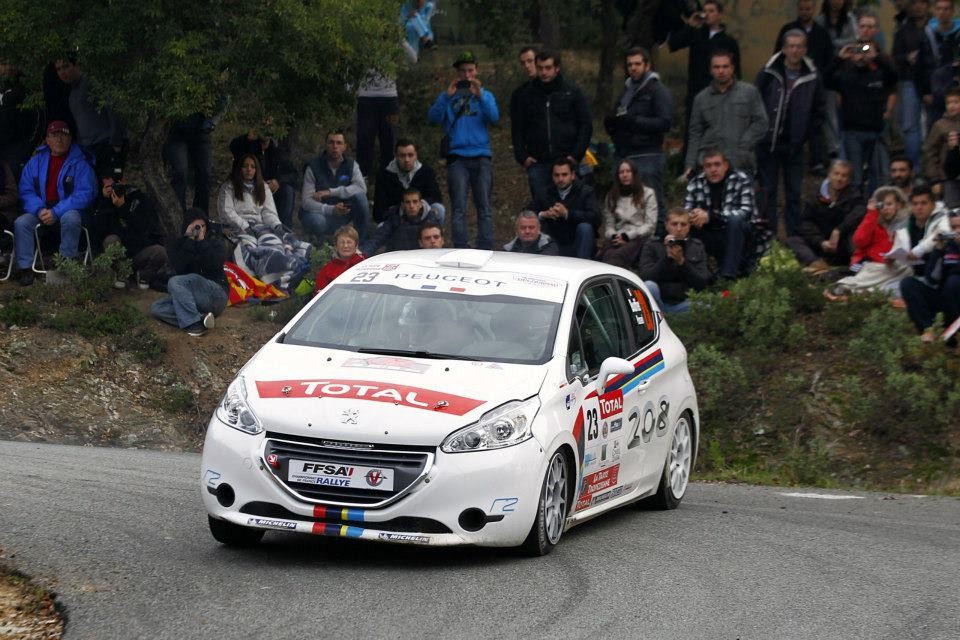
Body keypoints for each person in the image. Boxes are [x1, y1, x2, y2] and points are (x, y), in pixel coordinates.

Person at [756, 29, 826, 237]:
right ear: (784, 49)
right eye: (791, 46)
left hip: (795, 145)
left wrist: (805, 137)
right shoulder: (768, 73)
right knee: (767, 192)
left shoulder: (812, 76)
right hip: (768, 143)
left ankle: (794, 239)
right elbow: (755, 103)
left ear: (805, 49)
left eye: (799, 46)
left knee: (794, 194)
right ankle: (768, 237)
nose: (795, 50)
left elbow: (818, 111)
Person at [427, 51, 499, 249]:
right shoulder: (448, 97)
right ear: (457, 73)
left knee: (483, 205)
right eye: (462, 71)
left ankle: (485, 245)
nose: (467, 75)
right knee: (459, 206)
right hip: (458, 157)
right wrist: (445, 96)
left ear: (476, 71)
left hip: (481, 156)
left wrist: (481, 95)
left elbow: (494, 117)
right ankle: (461, 246)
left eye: (470, 70)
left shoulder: (486, 95)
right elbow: (432, 118)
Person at [13, 120, 97, 286]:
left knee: (71, 218)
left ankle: (66, 267)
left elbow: (85, 194)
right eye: (55, 135)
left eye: (64, 135)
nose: (60, 140)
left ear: (71, 138)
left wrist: (56, 211)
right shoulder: (35, 161)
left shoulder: (81, 163)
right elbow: (26, 190)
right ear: (47, 139)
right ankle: (25, 269)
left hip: (68, 210)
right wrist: (39, 210)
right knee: (21, 222)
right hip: (42, 210)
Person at [604, 46, 672, 235]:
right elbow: (618, 115)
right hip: (624, 153)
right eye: (629, 64)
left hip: (648, 153)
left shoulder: (658, 91)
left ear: (647, 65)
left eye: (637, 64)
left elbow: (665, 122)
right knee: (623, 204)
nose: (633, 68)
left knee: (653, 205)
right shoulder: (626, 90)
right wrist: (612, 125)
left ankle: (658, 245)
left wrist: (634, 121)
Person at [667, 0, 742, 164]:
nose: (707, 14)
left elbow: (737, 72)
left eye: (712, 11)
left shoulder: (728, 41)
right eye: (705, 10)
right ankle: (689, 167)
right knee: (694, 130)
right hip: (696, 90)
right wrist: (690, 26)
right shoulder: (696, 34)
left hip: (722, 93)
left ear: (720, 14)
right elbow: (673, 44)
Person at [511, 50, 592, 201]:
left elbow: (585, 125)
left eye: (548, 68)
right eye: (540, 68)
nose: (543, 72)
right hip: (538, 161)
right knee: (542, 207)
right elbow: (517, 129)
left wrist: (576, 155)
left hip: (567, 160)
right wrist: (522, 156)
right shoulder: (524, 95)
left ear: (557, 68)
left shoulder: (572, 92)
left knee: (572, 205)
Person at [825, 24, 898, 192]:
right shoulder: (846, 74)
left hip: (876, 132)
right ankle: (856, 208)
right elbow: (826, 80)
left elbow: (894, 77)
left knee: (880, 176)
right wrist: (839, 58)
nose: (861, 54)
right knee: (855, 178)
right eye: (858, 50)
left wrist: (877, 58)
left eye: (865, 50)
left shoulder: (879, 73)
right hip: (852, 132)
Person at [684, 50, 768, 176]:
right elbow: (695, 133)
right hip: (710, 165)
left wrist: (745, 143)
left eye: (725, 66)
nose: (721, 71)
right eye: (716, 67)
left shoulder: (749, 92)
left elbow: (761, 122)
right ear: (710, 70)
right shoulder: (701, 98)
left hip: (741, 163)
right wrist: (690, 164)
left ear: (732, 68)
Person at [825, 186, 914, 299]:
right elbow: (859, 241)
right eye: (882, 205)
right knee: (880, 270)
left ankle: (866, 291)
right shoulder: (872, 221)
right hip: (867, 264)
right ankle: (847, 285)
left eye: (889, 204)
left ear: (898, 205)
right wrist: (871, 214)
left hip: (891, 268)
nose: (885, 208)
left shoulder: (903, 226)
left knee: (907, 270)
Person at [150, 210, 228, 337]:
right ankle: (200, 319)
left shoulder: (214, 241)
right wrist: (190, 240)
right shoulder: (180, 244)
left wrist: (202, 242)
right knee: (157, 307)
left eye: (203, 226)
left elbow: (214, 263)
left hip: (216, 294)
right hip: (193, 299)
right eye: (196, 227)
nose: (200, 230)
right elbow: (179, 266)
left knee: (175, 281)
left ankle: (194, 325)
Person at [683, 148, 757, 280]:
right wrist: (694, 215)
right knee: (684, 225)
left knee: (735, 221)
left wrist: (710, 216)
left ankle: (728, 276)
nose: (713, 169)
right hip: (709, 233)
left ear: (726, 165)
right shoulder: (695, 183)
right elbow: (686, 212)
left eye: (717, 164)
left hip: (738, 233)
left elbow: (746, 212)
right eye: (708, 166)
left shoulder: (741, 180)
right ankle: (697, 276)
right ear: (703, 168)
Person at [89, 167, 168, 289]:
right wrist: (104, 200)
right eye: (110, 186)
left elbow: (143, 228)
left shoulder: (138, 198)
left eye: (116, 185)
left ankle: (142, 276)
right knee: (111, 240)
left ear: (123, 182)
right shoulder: (102, 201)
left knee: (160, 252)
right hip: (116, 253)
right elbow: (97, 231)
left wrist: (123, 207)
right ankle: (121, 274)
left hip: (138, 250)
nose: (114, 189)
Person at [786, 159, 866, 271]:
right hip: (821, 244)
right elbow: (807, 223)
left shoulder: (855, 195)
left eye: (844, 176)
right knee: (793, 241)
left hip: (843, 244)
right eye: (836, 174)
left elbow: (859, 213)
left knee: (855, 236)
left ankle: (857, 266)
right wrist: (820, 242)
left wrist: (839, 230)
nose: (839, 179)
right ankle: (816, 263)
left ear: (848, 180)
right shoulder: (815, 196)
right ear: (829, 175)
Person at [54, 57, 125, 171]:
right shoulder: (71, 95)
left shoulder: (92, 83)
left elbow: (113, 108)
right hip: (88, 150)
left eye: (66, 66)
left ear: (76, 65)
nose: (62, 72)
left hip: (106, 145)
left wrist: (116, 142)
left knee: (112, 186)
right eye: (58, 69)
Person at [299, 130, 370, 242]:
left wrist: (331, 192)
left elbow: (361, 188)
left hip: (343, 213)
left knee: (361, 198)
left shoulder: (351, 165)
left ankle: (362, 242)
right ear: (326, 145)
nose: (335, 146)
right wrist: (331, 210)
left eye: (339, 143)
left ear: (345, 146)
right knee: (316, 221)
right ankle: (318, 243)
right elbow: (306, 202)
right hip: (319, 214)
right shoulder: (313, 166)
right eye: (331, 142)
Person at [900, 211, 960, 342]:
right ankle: (929, 330)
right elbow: (932, 279)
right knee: (908, 284)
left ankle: (955, 335)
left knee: (953, 282)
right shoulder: (948, 246)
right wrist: (938, 249)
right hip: (944, 299)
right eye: (953, 227)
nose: (957, 231)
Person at [639, 208, 711, 313]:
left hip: (683, 303)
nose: (678, 229)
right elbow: (645, 278)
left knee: (706, 305)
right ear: (667, 225)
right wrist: (667, 258)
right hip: (658, 303)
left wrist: (682, 262)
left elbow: (702, 283)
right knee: (649, 286)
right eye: (674, 224)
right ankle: (660, 320)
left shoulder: (697, 247)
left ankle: (670, 320)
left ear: (689, 226)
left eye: (683, 224)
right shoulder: (652, 245)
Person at [526, 158, 600, 258]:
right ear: (552, 177)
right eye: (557, 175)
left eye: (564, 175)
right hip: (553, 241)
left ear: (573, 175)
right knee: (533, 224)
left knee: (585, 228)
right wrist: (543, 214)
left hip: (577, 242)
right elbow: (526, 213)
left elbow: (596, 217)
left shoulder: (586, 192)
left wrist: (567, 214)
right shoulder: (545, 192)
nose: (560, 179)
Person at [166, 98, 228, 215]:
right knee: (180, 173)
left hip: (200, 130)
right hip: (177, 131)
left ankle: (200, 217)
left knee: (204, 174)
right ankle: (179, 217)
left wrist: (210, 123)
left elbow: (223, 97)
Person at [893, 0, 935, 171]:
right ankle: (913, 168)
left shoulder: (934, 27)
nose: (918, 7)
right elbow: (895, 56)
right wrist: (907, 58)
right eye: (915, 3)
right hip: (909, 80)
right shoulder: (903, 30)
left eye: (922, 2)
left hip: (934, 80)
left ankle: (935, 167)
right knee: (910, 126)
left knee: (936, 124)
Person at [229, 125, 297, 228]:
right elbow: (233, 148)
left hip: (272, 192)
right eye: (264, 126)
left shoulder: (277, 149)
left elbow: (293, 174)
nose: (266, 130)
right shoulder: (247, 145)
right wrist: (246, 138)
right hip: (251, 191)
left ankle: (285, 230)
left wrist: (278, 182)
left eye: (270, 126)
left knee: (288, 190)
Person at [596, 159, 657, 269]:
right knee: (604, 256)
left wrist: (628, 236)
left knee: (617, 256)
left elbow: (650, 225)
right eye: (621, 172)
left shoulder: (648, 193)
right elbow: (609, 226)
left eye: (628, 171)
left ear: (634, 173)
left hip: (639, 236)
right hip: (618, 236)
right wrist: (615, 235)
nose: (625, 175)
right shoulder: (611, 196)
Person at [372, 139, 443, 224]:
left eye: (410, 155)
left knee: (439, 208)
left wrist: (419, 204)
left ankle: (434, 235)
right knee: (381, 225)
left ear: (416, 155)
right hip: (395, 218)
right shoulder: (384, 175)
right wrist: (401, 209)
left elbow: (436, 198)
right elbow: (378, 211)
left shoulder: (426, 172)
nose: (407, 160)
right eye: (402, 155)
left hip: (422, 214)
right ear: (396, 156)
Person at [217, 154, 282, 238]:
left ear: (256, 170)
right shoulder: (229, 186)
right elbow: (227, 212)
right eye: (245, 166)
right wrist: (245, 227)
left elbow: (268, 212)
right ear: (240, 168)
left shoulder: (263, 187)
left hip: (259, 227)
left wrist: (276, 225)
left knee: (273, 245)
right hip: (235, 228)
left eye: (253, 167)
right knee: (248, 247)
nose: (249, 169)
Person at [361, 188, 440, 255]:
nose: (411, 206)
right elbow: (377, 239)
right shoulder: (394, 218)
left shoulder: (431, 219)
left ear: (420, 204)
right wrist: (360, 256)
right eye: (408, 202)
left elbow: (436, 245)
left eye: (415, 202)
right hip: (398, 258)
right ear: (403, 205)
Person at [922, 87, 960, 206]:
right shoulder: (940, 125)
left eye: (956, 102)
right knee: (951, 211)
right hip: (947, 179)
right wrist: (934, 180)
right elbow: (930, 153)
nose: (951, 106)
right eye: (948, 103)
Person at [926, 0, 960, 123]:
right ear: (935, 11)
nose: (942, 12)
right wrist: (925, 91)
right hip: (938, 83)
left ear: (952, 11)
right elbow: (922, 63)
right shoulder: (927, 33)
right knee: (937, 122)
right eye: (939, 9)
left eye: (946, 9)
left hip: (956, 79)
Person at [313, 225, 365, 294]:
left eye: (349, 242)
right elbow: (318, 296)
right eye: (342, 242)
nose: (345, 246)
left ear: (356, 245)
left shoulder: (364, 264)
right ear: (336, 246)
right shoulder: (327, 270)